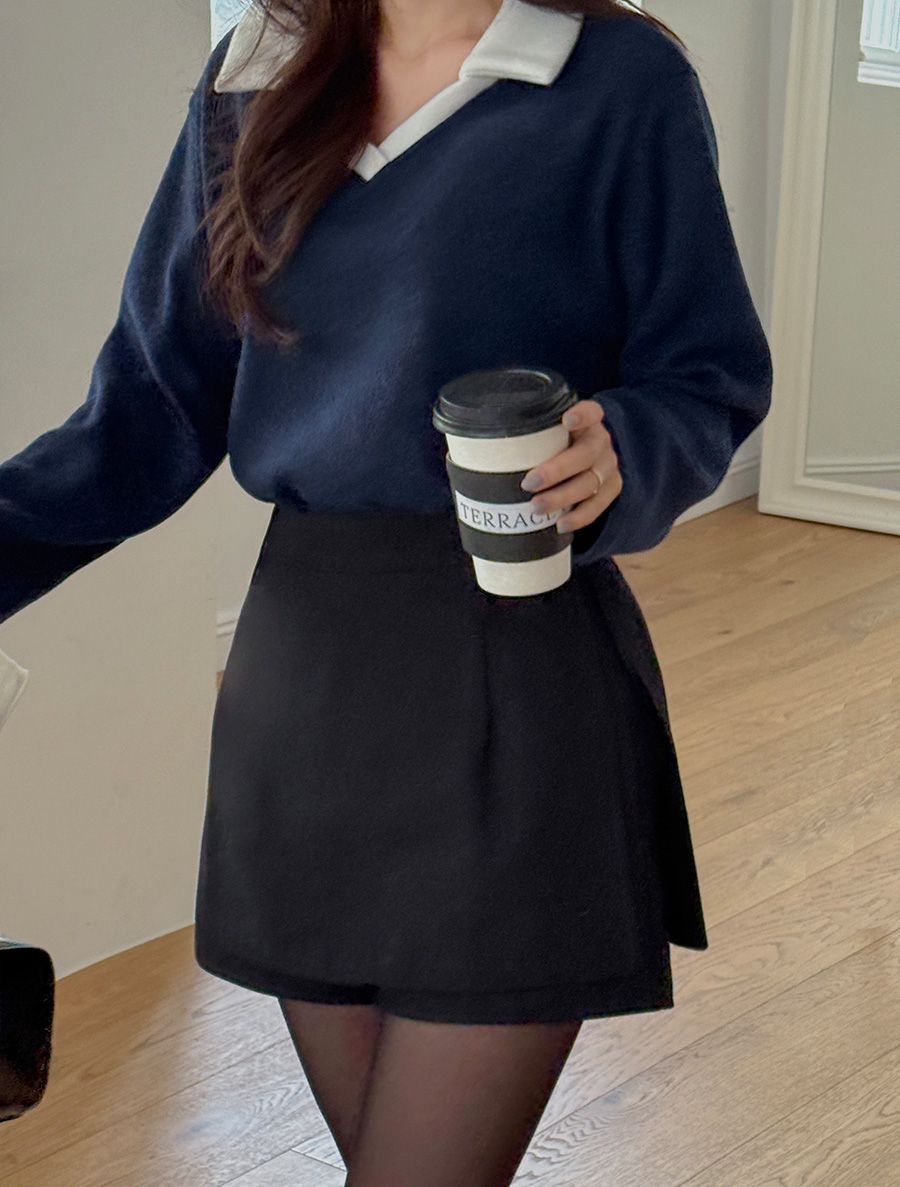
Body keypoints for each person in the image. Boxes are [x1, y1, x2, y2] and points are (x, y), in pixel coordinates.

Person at [0, 1, 773, 1183]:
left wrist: (626, 447)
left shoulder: (617, 80)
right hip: (302, 698)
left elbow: (707, 373)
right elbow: (147, 414)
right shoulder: (254, 77)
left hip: (516, 678)